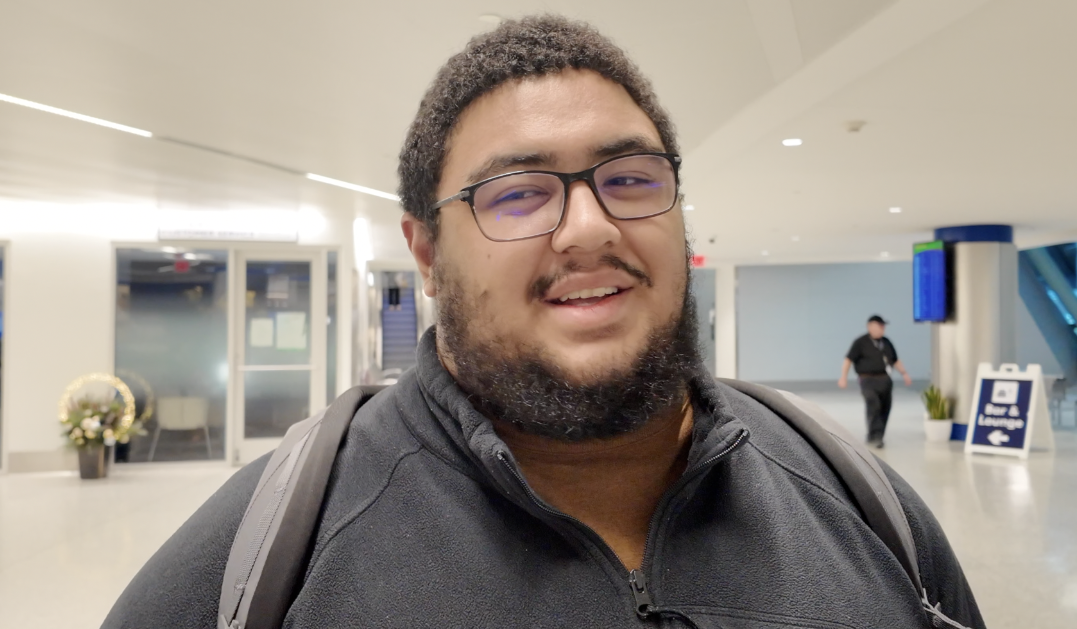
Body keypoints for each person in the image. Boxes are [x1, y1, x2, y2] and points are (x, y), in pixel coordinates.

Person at [104, 16, 983, 628]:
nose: (590, 228)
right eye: (518, 193)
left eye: (629, 179)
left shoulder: (864, 510)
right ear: (425, 253)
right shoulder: (264, 562)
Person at [839, 314, 914, 448]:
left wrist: (904, 374)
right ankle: (874, 436)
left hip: (885, 379)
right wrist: (843, 377)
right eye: (880, 325)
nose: (882, 328)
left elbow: (895, 360)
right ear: (870, 327)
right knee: (873, 404)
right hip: (867, 379)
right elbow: (848, 359)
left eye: (883, 326)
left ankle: (879, 435)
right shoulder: (860, 342)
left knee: (885, 407)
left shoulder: (886, 342)